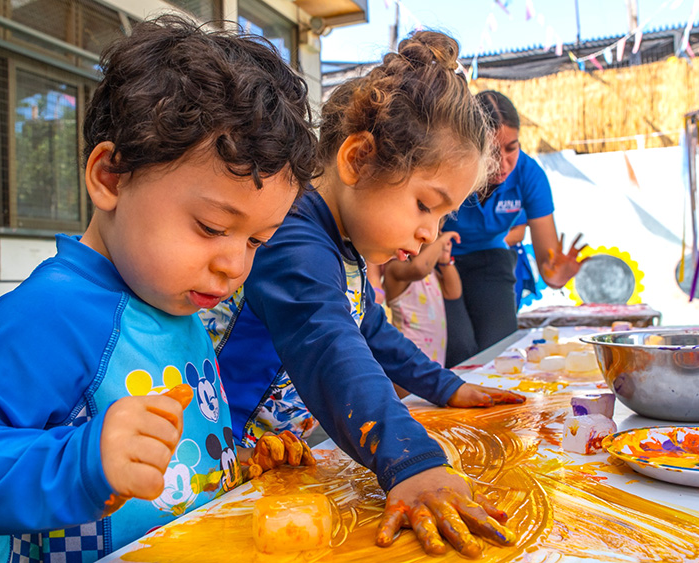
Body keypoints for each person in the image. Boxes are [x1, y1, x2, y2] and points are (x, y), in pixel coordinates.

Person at [0, 16, 317, 563]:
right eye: (211, 227)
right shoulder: (56, 312)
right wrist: (81, 462)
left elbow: (177, 456)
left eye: (257, 240)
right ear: (111, 177)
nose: (234, 265)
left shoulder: (177, 305)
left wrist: (241, 459)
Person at [200, 31, 524, 558]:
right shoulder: (294, 242)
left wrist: (446, 388)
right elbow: (332, 346)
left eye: (442, 218)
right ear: (358, 159)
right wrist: (413, 461)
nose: (429, 233)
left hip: (266, 461)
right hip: (218, 460)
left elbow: (371, 331)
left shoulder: (342, 247)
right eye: (425, 205)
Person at [443, 90, 586, 367]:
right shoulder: (449, 167)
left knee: (496, 353)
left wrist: (558, 275)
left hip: (491, 258)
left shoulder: (529, 175)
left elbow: (549, 265)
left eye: (512, 148)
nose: (504, 162)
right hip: (437, 262)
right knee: (458, 351)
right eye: (493, 152)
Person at [384, 231, 462, 367]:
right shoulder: (396, 267)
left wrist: (445, 261)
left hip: (434, 355)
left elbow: (453, 293)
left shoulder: (430, 272)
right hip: (408, 354)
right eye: (436, 235)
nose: (438, 240)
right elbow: (419, 269)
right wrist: (441, 241)